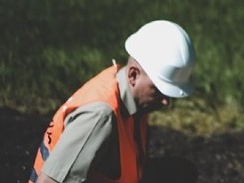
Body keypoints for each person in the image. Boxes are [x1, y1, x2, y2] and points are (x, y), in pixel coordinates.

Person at [30, 20, 198, 183]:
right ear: (133, 75)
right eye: (160, 91)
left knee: (180, 173)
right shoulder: (100, 116)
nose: (165, 102)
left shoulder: (131, 97)